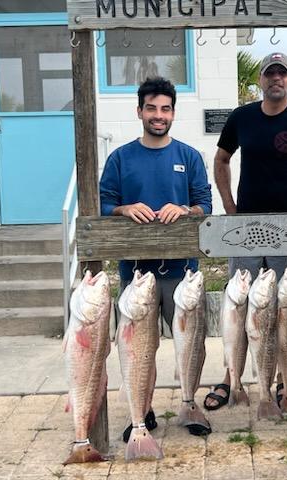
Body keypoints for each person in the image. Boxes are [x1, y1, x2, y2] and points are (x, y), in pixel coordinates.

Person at [205, 52, 287, 410]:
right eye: (269, 73)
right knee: (238, 306)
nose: (276, 78)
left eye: (282, 73)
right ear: (261, 80)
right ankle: (231, 378)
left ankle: (283, 381)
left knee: (286, 308)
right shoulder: (242, 117)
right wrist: (230, 209)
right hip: (245, 227)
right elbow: (221, 159)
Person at [99, 76, 212, 436]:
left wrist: (185, 209)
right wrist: (123, 209)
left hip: (182, 273)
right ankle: (142, 410)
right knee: (138, 350)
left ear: (173, 113)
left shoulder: (189, 157)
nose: (158, 115)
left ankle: (190, 404)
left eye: (165, 109)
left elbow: (204, 206)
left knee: (190, 345)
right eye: (151, 108)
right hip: (136, 275)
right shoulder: (120, 158)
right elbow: (104, 205)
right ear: (140, 111)